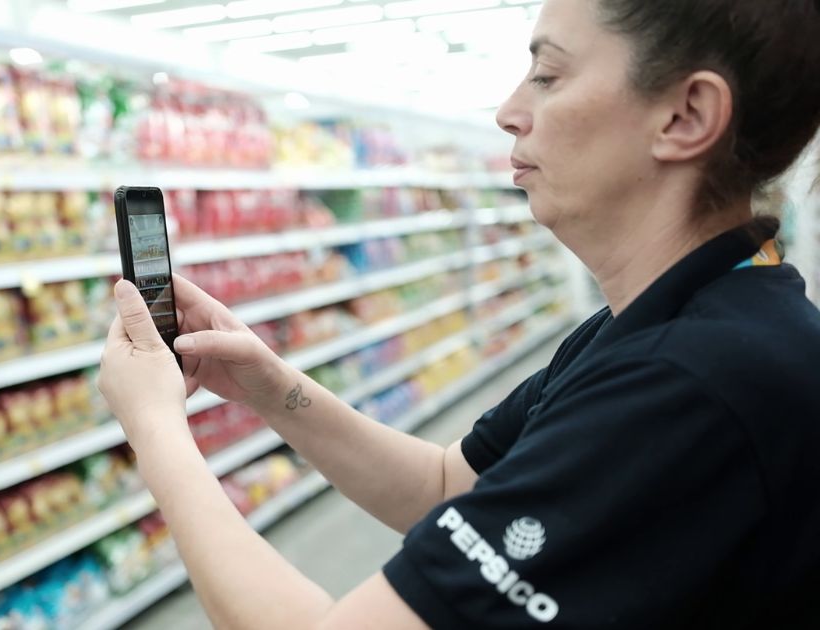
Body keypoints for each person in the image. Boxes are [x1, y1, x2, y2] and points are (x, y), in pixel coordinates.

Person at [97, 0, 820, 627]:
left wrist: (155, 429)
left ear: (685, 115)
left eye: (548, 74)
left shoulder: (691, 386)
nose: (509, 111)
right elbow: (444, 487)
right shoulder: (666, 322)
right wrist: (265, 385)